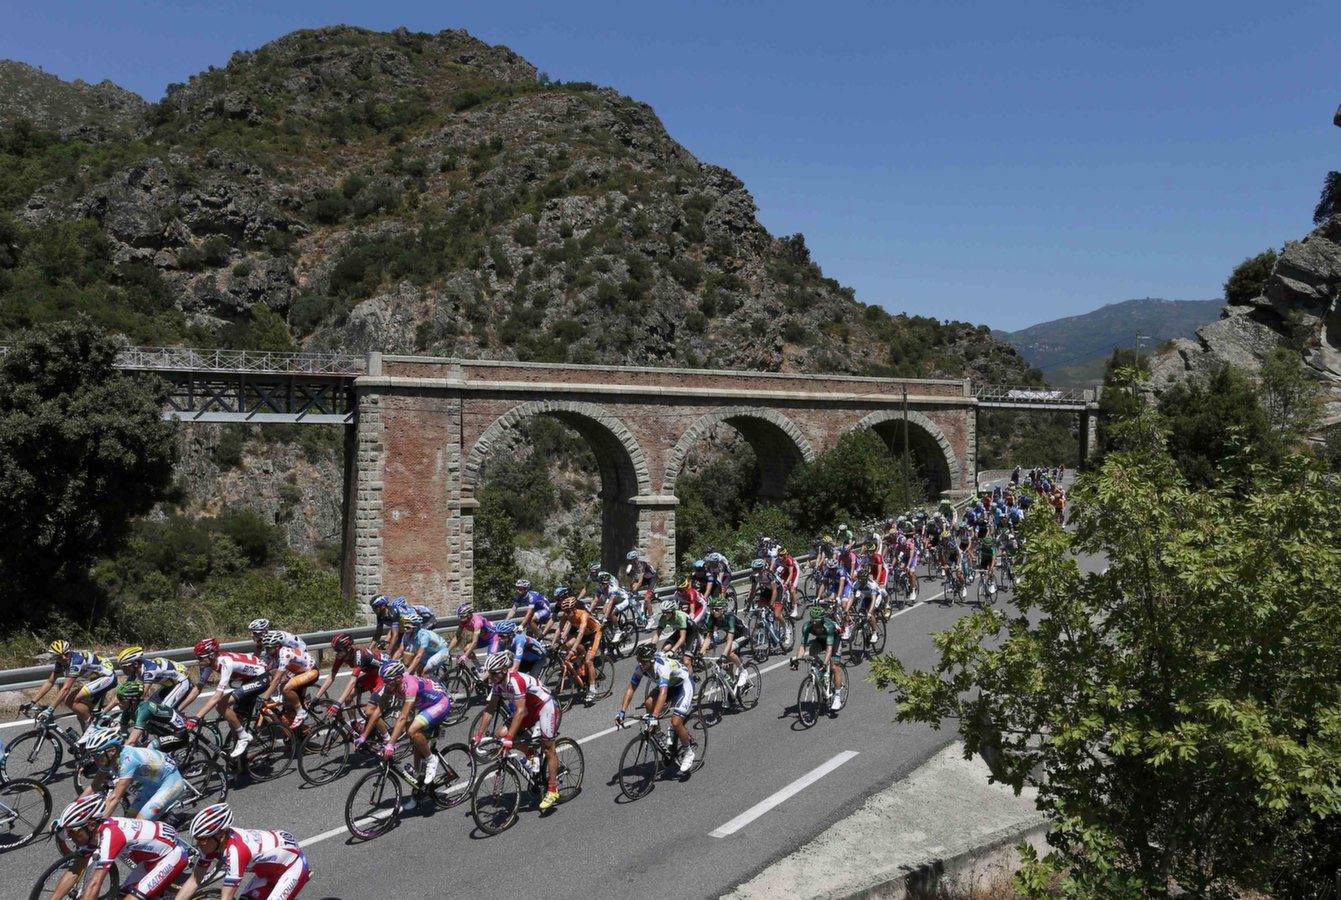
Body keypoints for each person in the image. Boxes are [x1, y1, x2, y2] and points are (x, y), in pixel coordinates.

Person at [51, 795, 191, 900]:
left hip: (172, 855)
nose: (70, 837)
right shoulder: (93, 833)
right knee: (121, 896)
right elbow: (75, 871)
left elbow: (95, 883)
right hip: (151, 858)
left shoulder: (111, 837)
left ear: (91, 825)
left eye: (72, 832)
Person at [473, 651, 562, 811]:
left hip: (545, 706)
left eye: (493, 674)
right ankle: (531, 754)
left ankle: (553, 789)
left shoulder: (515, 681)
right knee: (501, 735)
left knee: (548, 748)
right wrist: (479, 734)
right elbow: (490, 709)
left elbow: (519, 712)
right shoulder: (497, 683)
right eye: (489, 674)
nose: (490, 678)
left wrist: (509, 738)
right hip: (529, 709)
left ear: (503, 671)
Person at [357, 660, 451, 810]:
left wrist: (390, 744)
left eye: (388, 682)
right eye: (385, 682)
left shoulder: (410, 685)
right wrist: (363, 736)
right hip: (424, 706)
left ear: (398, 678)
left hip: (440, 703)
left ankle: (431, 759)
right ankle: (418, 793)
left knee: (412, 731)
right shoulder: (392, 686)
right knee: (415, 748)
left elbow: (402, 717)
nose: (386, 685)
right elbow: (377, 712)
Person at [178, 803, 310, 900]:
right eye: (197, 839)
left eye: (202, 840)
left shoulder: (236, 852)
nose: (198, 844)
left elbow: (226, 897)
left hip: (291, 867)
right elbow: (194, 881)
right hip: (267, 870)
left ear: (220, 836)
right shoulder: (211, 844)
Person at [615, 644, 697, 774]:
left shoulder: (661, 667)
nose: (640, 664)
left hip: (683, 685)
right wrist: (622, 712)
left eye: (643, 662)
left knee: (676, 722)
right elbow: (631, 688)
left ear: (651, 660)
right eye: (639, 661)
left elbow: (663, 693)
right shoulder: (641, 667)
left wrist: (654, 716)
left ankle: (688, 751)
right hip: (670, 685)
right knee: (648, 702)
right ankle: (659, 734)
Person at [78, 726, 186, 821]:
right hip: (153, 784)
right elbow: (94, 786)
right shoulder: (109, 759)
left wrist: (97, 826)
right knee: (129, 819)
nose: (95, 760)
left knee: (139, 824)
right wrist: (73, 809)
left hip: (171, 782)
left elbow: (114, 798)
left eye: (97, 755)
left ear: (112, 750)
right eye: (92, 756)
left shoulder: (128, 761)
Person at [192, 638, 269, 759]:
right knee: (235, 721)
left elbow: (217, 696)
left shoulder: (225, 662)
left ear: (211, 655)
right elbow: (198, 688)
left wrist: (197, 717)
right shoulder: (210, 664)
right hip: (248, 680)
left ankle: (244, 736)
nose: (199, 661)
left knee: (221, 704)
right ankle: (242, 763)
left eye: (201, 658)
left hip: (261, 678)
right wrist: (178, 707)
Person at [311, 633, 386, 736]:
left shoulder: (359, 655)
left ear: (349, 648)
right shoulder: (342, 655)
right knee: (348, 698)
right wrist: (316, 697)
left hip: (382, 675)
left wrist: (338, 704)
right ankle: (355, 725)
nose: (338, 654)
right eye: (336, 651)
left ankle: (387, 740)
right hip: (371, 675)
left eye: (339, 651)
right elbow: (331, 676)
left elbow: (352, 681)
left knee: (372, 711)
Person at [30, 640, 117, 728]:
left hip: (107, 677)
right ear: (55, 658)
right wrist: (32, 702)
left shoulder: (76, 661)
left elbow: (66, 688)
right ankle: (93, 730)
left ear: (70, 651)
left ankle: (93, 728)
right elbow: (50, 682)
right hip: (97, 678)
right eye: (59, 657)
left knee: (70, 700)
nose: (64, 658)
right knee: (81, 711)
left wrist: (50, 710)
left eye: (66, 654)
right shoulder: (61, 663)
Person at [259, 632, 318, 730]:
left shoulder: (284, 653)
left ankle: (301, 711)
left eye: (269, 648)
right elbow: (262, 666)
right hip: (298, 673)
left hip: (311, 671)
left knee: (286, 689)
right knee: (285, 699)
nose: (267, 651)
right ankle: (298, 730)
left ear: (277, 647)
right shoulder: (273, 653)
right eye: (266, 648)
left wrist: (264, 698)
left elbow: (277, 678)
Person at [791, 605, 845, 712]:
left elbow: (829, 649)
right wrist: (797, 659)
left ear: (822, 620)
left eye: (817, 621)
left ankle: (837, 697)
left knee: (834, 666)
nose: (815, 623)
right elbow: (802, 646)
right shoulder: (807, 626)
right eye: (813, 621)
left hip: (834, 640)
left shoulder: (828, 626)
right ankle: (823, 675)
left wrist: (825, 663)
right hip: (820, 639)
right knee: (811, 654)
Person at [555, 592, 604, 704]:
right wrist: (558, 641)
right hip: (585, 634)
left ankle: (592, 689)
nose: (567, 614)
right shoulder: (566, 615)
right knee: (567, 645)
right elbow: (561, 629)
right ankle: (580, 663)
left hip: (595, 633)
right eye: (565, 611)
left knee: (588, 660)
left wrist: (573, 650)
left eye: (569, 611)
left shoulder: (583, 615)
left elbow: (581, 633)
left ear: (575, 608)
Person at [116, 680, 189, 750]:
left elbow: (132, 741)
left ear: (133, 700)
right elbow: (123, 729)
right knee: (141, 749)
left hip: (179, 733)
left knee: (150, 748)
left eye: (121, 699)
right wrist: (125, 740)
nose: (118, 702)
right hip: (165, 734)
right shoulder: (128, 710)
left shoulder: (144, 709)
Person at [118, 647, 195, 711]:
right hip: (169, 685)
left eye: (124, 667)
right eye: (121, 667)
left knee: (163, 710)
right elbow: (124, 689)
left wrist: (128, 706)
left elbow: (142, 694)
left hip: (181, 682)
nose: (123, 670)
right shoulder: (137, 668)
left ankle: (181, 726)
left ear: (135, 664)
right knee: (151, 707)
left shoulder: (150, 671)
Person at [705, 596, 751, 692]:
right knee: (727, 667)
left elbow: (729, 641)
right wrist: (700, 654)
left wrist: (723, 656)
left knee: (728, 653)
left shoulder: (730, 617)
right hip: (732, 636)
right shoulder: (712, 617)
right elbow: (708, 638)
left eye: (717, 609)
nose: (714, 611)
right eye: (712, 608)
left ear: (723, 610)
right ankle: (734, 685)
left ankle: (743, 671)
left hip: (743, 634)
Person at [449, 602, 502, 671]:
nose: (461, 619)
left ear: (469, 615)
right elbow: (457, 636)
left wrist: (465, 656)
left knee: (491, 662)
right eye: (460, 616)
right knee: (466, 649)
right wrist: (447, 650)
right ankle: (479, 667)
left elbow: (474, 642)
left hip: (493, 638)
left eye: (462, 616)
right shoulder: (463, 621)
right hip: (483, 638)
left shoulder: (477, 622)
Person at [623, 549, 658, 619]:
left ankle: (651, 617)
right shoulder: (630, 567)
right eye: (629, 561)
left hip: (652, 578)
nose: (630, 562)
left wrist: (632, 591)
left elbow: (640, 582)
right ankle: (638, 604)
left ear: (636, 559)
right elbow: (632, 581)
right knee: (633, 586)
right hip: (645, 578)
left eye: (632, 560)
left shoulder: (641, 565)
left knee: (646, 598)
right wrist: (631, 590)